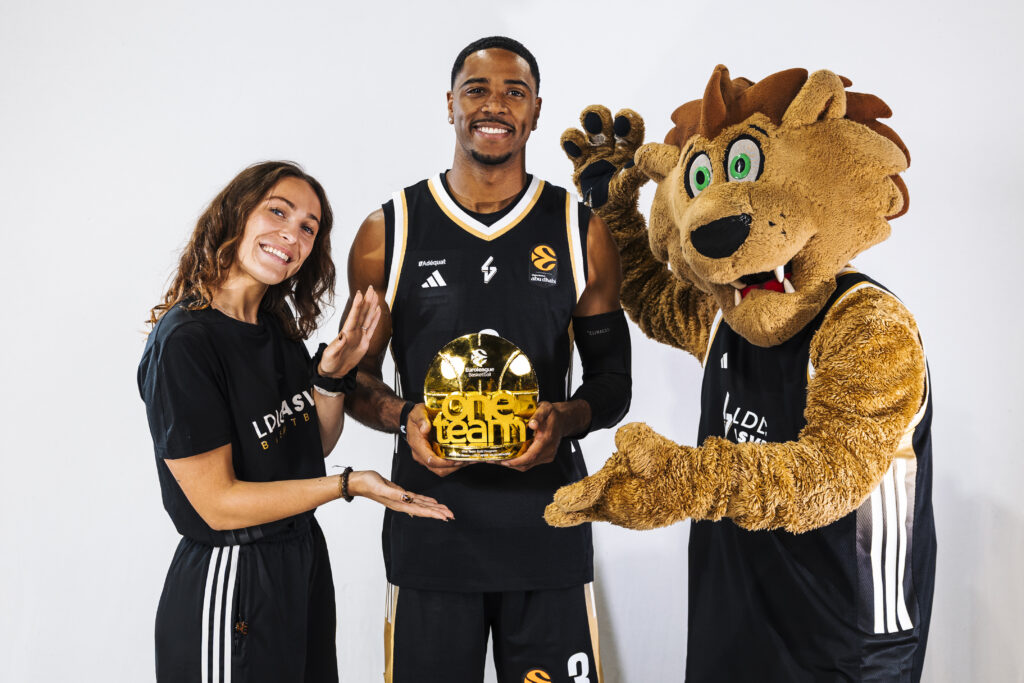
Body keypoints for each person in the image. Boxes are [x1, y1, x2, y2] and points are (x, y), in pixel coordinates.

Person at [343, 37, 632, 682]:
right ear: (450, 104)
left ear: (535, 111)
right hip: (431, 531)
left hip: (546, 531)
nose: (494, 105)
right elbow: (352, 380)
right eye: (476, 90)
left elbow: (614, 382)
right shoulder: (389, 231)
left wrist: (564, 420)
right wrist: (404, 417)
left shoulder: (579, 230)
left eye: (513, 92)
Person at [138, 161, 453, 683]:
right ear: (236, 214)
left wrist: (330, 378)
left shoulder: (275, 329)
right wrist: (349, 485)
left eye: (309, 227)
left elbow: (314, 444)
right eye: (278, 212)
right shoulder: (186, 342)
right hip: (231, 573)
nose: (292, 234)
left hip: (299, 560)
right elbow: (218, 504)